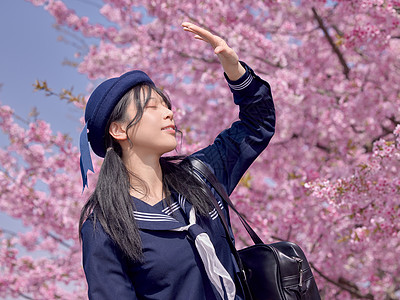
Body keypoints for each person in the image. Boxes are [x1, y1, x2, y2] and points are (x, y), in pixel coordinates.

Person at [78, 22, 276, 300]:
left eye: (166, 105)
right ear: (119, 130)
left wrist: (234, 69)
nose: (169, 113)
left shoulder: (201, 177)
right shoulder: (106, 227)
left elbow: (258, 124)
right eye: (152, 107)